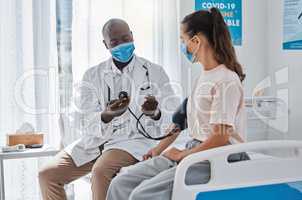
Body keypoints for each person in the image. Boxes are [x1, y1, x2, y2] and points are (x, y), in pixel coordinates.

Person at [106, 8, 249, 200]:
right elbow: (180, 122)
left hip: (218, 157)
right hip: (196, 150)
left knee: (142, 195)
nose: (182, 45)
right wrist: (158, 150)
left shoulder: (226, 81)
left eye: (183, 40)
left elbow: (220, 139)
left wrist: (183, 155)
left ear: (196, 41)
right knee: (120, 183)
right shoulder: (203, 77)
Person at [38, 18, 177, 200]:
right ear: (106, 44)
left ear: (132, 37)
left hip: (130, 143)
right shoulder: (92, 75)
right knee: (47, 175)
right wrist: (106, 115)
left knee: (100, 172)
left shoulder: (154, 72)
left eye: (125, 38)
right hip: (94, 143)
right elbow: (81, 120)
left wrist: (155, 113)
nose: (122, 44)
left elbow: (173, 118)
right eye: (115, 42)